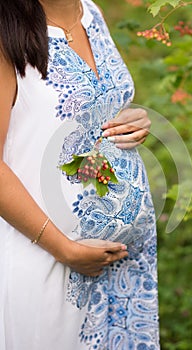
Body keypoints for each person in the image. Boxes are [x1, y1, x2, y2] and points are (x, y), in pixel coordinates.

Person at [0, 0, 160, 349]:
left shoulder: (91, 13)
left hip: (124, 269)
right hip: (46, 258)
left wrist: (133, 119)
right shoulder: (5, 33)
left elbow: (93, 111)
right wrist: (64, 249)